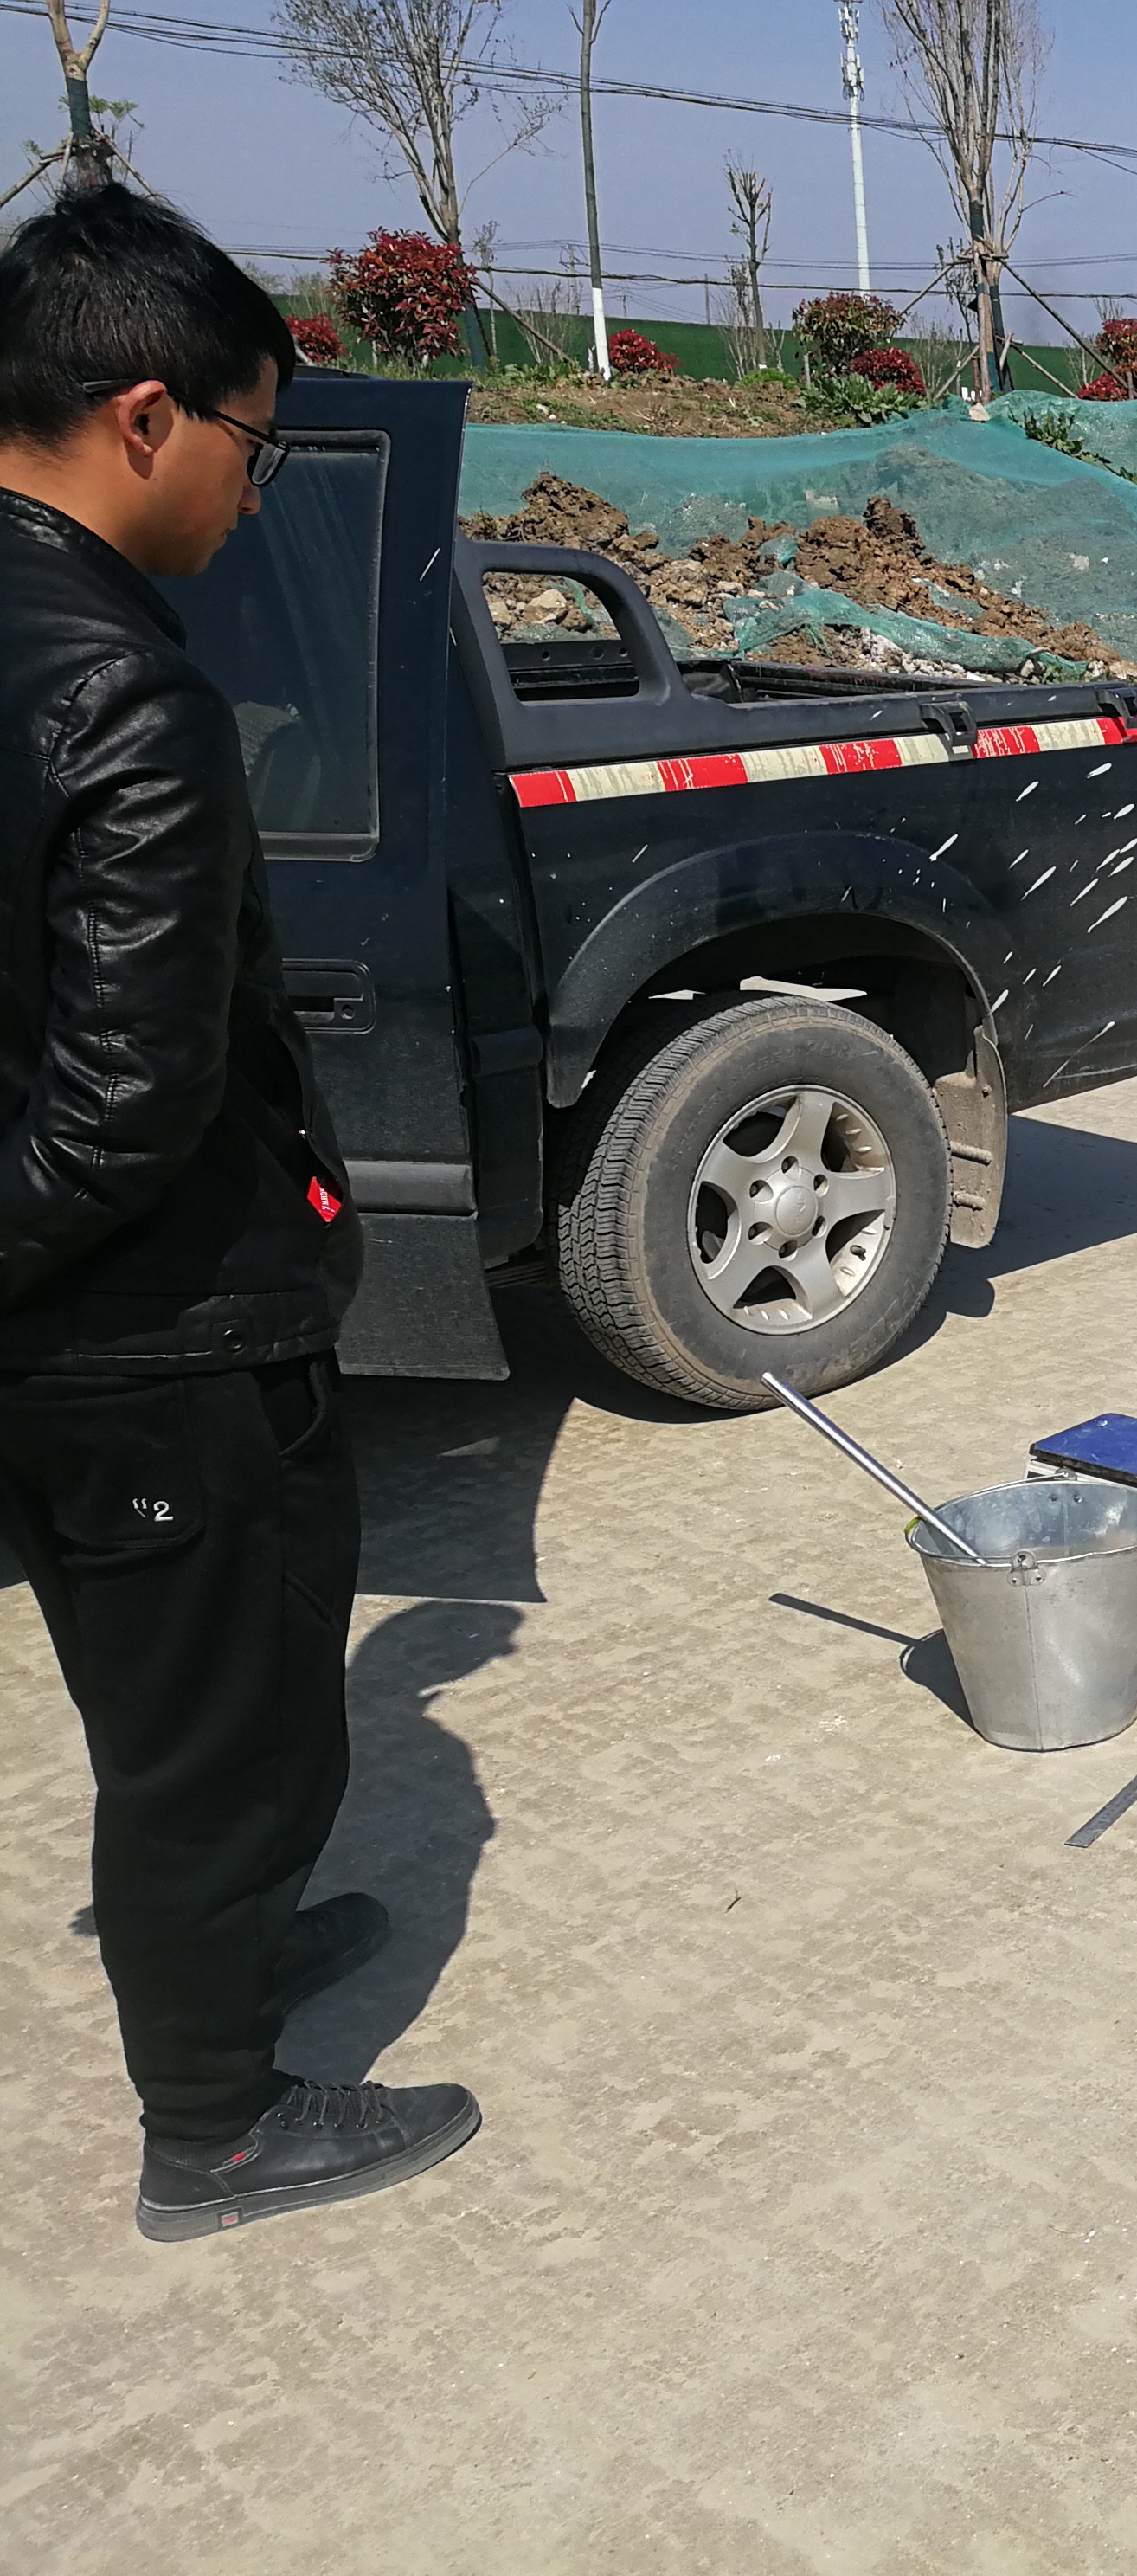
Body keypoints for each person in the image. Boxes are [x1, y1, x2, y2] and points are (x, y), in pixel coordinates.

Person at [0, 181, 479, 2238]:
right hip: (155, 1334)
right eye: (249, 444)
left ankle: (232, 1954)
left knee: (160, 1704)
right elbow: (124, 1110)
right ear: (143, 416)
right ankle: (214, 2124)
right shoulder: (125, 694)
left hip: (66, 1348)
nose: (254, 491)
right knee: (228, 1733)